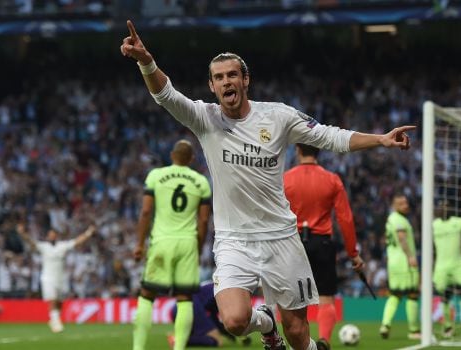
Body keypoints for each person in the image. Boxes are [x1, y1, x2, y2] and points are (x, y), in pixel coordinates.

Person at [120, 20, 415, 350]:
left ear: (245, 80)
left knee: (299, 332)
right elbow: (165, 95)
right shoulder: (205, 119)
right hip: (234, 241)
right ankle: (267, 323)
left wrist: (381, 139)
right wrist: (146, 61)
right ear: (212, 86)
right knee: (234, 320)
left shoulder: (278, 116)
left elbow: (329, 136)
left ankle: (292, 335)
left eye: (232, 75)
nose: (226, 81)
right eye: (219, 77)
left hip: (281, 237)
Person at [132, 139, 212, 350]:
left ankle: (138, 347)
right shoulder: (201, 182)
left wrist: (140, 244)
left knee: (147, 294)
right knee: (184, 298)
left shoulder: (156, 176)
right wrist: (199, 245)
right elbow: (203, 220)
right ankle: (179, 348)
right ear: (191, 159)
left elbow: (146, 212)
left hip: (161, 241)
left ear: (172, 155)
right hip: (187, 242)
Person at [283, 143, 365, 350]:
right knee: (326, 297)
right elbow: (345, 218)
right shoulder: (332, 179)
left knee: (293, 300)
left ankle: (299, 343)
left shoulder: (285, 179)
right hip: (323, 243)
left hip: (293, 242)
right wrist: (353, 254)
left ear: (298, 151)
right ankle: (324, 341)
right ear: (318, 152)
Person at [16, 221, 96, 333]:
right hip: (48, 277)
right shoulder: (43, 246)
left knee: (59, 301)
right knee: (52, 299)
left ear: (56, 236)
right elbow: (31, 242)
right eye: (50, 234)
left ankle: (55, 318)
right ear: (48, 236)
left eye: (54, 234)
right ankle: (55, 320)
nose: (52, 236)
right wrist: (22, 233)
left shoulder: (62, 246)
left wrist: (89, 233)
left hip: (61, 278)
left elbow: (77, 242)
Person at [432, 200, 461, 337]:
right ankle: (448, 327)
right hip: (441, 266)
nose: (444, 209)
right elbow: (430, 248)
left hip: (458, 264)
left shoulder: (459, 222)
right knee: (445, 297)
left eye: (447, 206)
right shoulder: (434, 225)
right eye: (441, 206)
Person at [379, 194, 420, 340]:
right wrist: (410, 256)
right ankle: (414, 330)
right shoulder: (399, 219)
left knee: (395, 295)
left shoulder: (390, 219)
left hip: (393, 262)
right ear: (394, 205)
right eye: (401, 203)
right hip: (404, 262)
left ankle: (385, 325)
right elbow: (402, 237)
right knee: (413, 294)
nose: (406, 205)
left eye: (406, 202)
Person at [168, 281, 252, 348]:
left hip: (179, 307)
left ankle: (181, 339)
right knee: (217, 341)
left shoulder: (219, 288)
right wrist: (235, 334)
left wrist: (230, 335)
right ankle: (178, 339)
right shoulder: (228, 292)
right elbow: (226, 319)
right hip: (193, 305)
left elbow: (214, 319)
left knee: (200, 335)